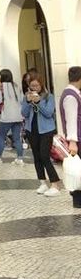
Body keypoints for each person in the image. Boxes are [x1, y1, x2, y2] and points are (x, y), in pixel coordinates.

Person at [21, 74, 61, 197]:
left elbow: (49, 113)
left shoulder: (49, 97)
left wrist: (39, 102)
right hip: (31, 130)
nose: (34, 88)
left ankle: (55, 183)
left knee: (44, 156)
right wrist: (28, 102)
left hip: (46, 130)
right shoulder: (26, 97)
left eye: (36, 85)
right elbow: (24, 113)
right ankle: (42, 182)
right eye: (32, 86)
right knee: (37, 157)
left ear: (41, 85)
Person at [59, 66, 81, 208]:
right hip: (78, 138)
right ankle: (78, 200)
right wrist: (72, 141)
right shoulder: (70, 96)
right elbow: (71, 119)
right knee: (77, 169)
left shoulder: (73, 93)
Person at [0, 69, 24, 164]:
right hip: (18, 115)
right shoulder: (16, 86)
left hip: (7, 116)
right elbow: (22, 99)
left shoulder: (0, 87)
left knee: (1, 136)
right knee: (16, 138)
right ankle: (20, 158)